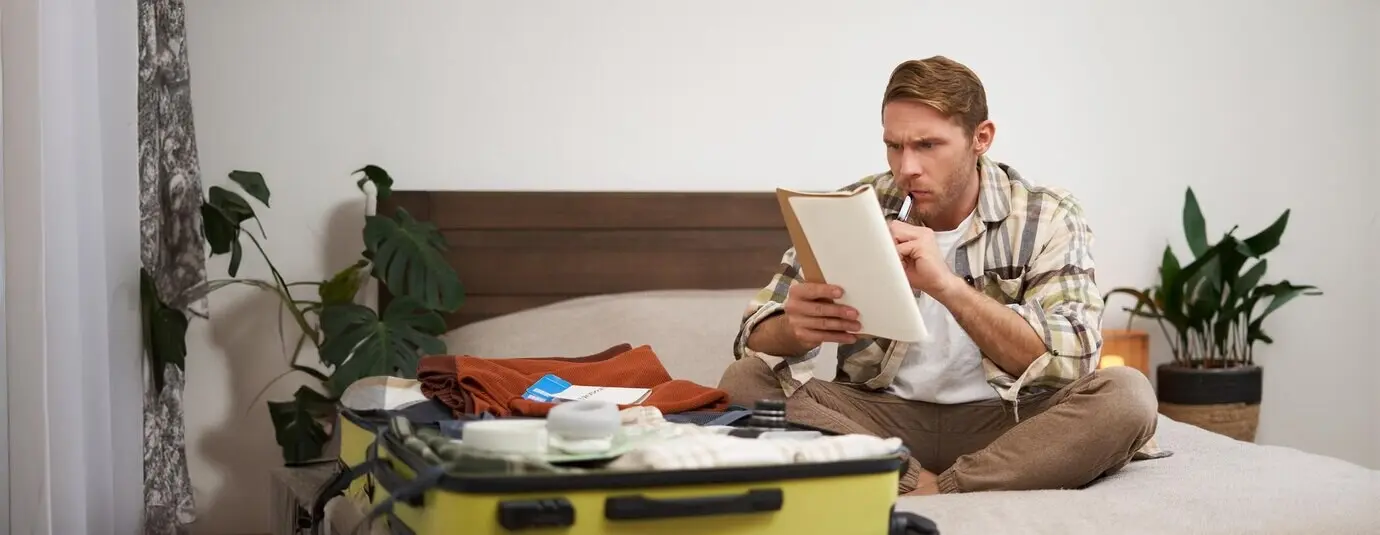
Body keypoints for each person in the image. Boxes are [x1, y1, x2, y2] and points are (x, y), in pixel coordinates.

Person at [719, 56, 1164, 496]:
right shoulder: (856, 207)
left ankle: (935, 488)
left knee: (1128, 396)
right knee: (743, 383)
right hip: (878, 417)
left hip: (1005, 420)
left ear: (981, 138)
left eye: (927, 145)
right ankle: (913, 476)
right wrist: (791, 330)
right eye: (894, 145)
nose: (906, 166)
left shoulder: (1045, 214)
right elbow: (751, 339)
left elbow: (1074, 359)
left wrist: (946, 286)